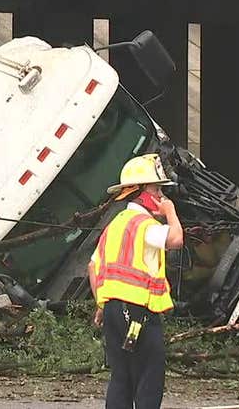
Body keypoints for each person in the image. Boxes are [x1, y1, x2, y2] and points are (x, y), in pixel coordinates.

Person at [87, 153, 184, 408]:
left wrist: (100, 303)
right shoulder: (144, 224)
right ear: (140, 191)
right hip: (138, 312)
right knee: (149, 376)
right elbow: (176, 240)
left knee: (122, 376)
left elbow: (93, 265)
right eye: (156, 188)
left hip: (112, 312)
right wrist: (171, 211)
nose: (161, 195)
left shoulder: (115, 224)